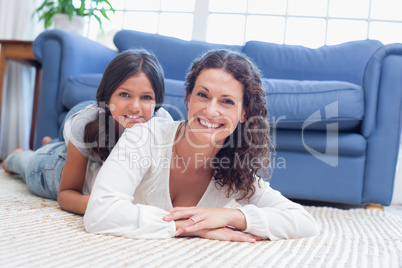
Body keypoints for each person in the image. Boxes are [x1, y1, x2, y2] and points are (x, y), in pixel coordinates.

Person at [84, 49, 320, 242]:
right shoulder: (143, 136)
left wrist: (232, 216)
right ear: (188, 98)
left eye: (227, 101)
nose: (210, 110)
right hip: (84, 164)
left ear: (244, 112)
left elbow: (305, 222)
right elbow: (99, 213)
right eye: (203, 95)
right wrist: (190, 227)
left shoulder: (235, 169)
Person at [1, 49, 172, 215]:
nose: (135, 107)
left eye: (146, 97)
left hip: (106, 114)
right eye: (125, 94)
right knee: (28, 163)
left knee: (70, 144)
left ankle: (52, 144)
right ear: (106, 98)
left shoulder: (163, 125)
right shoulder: (84, 124)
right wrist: (103, 207)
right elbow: (66, 193)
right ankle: (20, 155)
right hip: (88, 119)